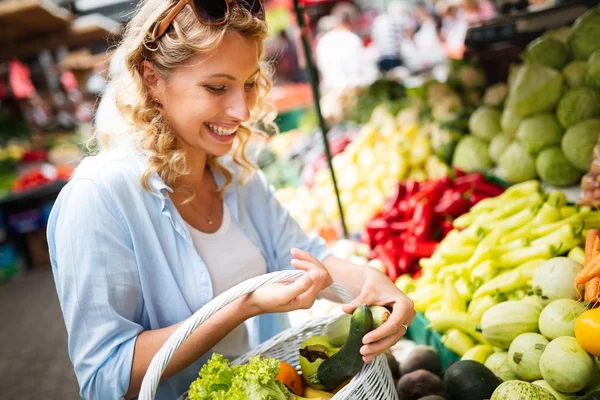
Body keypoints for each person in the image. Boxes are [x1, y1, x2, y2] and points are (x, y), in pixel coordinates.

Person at [46, 1, 416, 399]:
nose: (242, 110)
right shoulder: (99, 198)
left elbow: (306, 257)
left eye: (250, 83)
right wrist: (244, 305)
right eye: (217, 87)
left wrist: (373, 283)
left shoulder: (235, 176)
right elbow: (105, 375)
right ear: (152, 80)